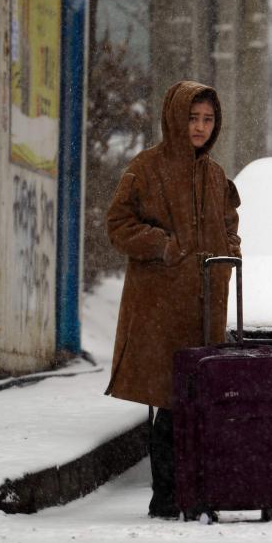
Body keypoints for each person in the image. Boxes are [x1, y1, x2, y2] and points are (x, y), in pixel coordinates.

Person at [104, 81, 241, 518]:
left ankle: (191, 490)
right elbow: (118, 223)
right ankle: (167, 494)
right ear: (174, 118)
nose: (200, 127)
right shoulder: (146, 169)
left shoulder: (215, 174)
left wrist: (230, 253)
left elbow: (228, 221)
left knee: (196, 400)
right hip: (161, 307)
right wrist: (162, 245)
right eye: (192, 118)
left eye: (208, 119)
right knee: (169, 400)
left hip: (205, 305)